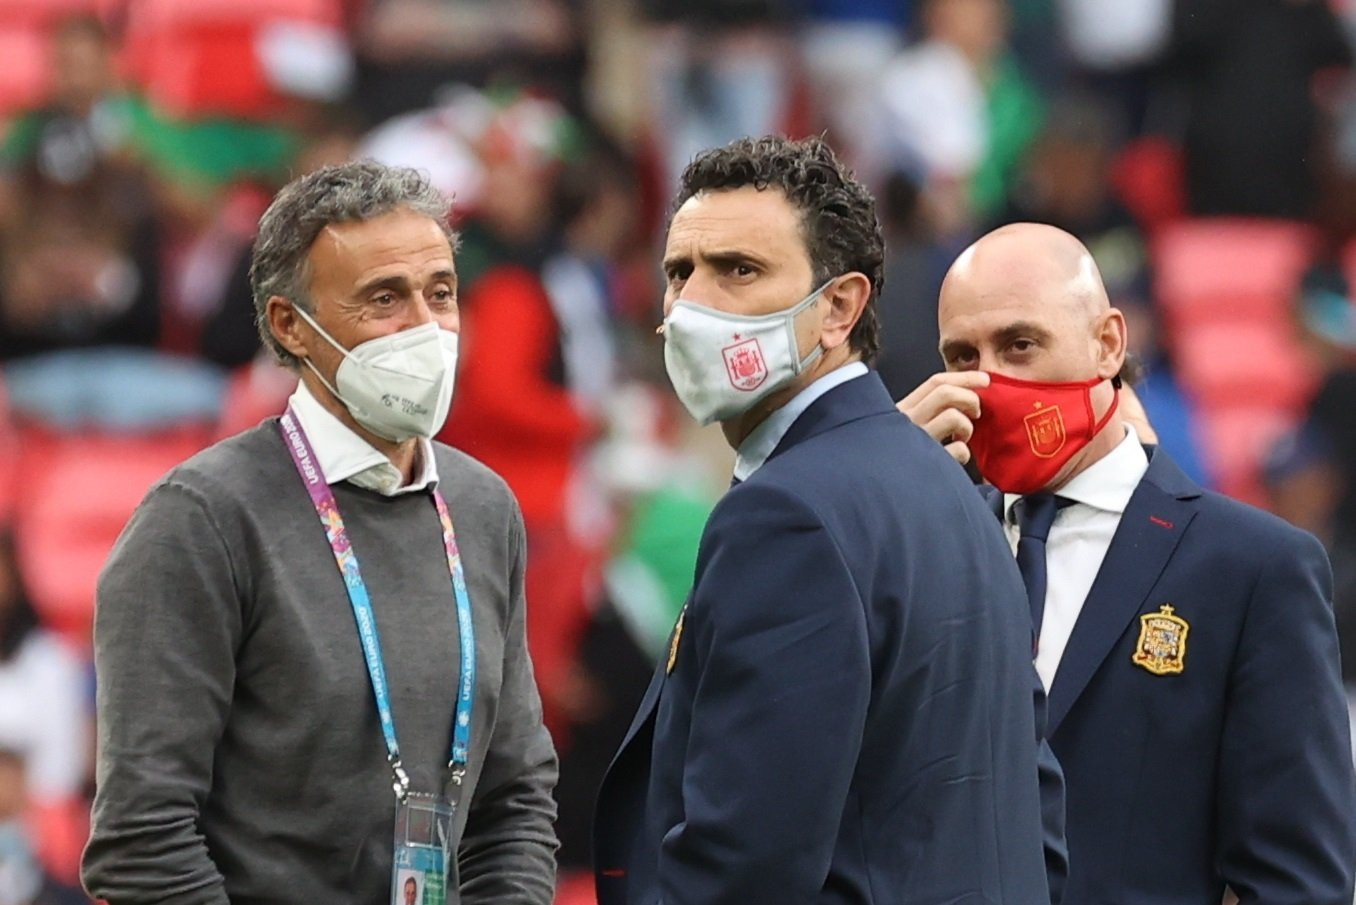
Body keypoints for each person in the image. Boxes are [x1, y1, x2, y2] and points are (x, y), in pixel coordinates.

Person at [593, 135, 1058, 904]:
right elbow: (1038, 816)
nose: (692, 304)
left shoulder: (787, 515)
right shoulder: (957, 495)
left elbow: (746, 866)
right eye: (680, 272)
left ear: (839, 306)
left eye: (738, 270)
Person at [81, 161, 559, 904]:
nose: (426, 329)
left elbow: (515, 798)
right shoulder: (199, 520)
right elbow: (143, 840)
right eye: (384, 300)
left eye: (440, 293)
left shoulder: (483, 507)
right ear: (288, 326)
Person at [898, 222, 1356, 904]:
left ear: (1108, 342)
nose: (988, 380)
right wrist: (877, 494)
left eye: (1020, 344)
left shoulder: (1254, 569)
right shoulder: (916, 548)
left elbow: (1298, 883)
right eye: (963, 356)